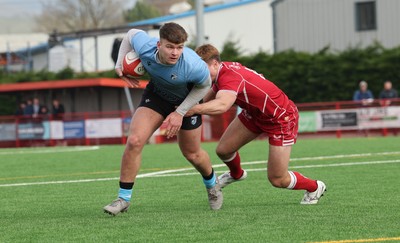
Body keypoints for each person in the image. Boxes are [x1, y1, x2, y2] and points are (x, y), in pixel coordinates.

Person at [103, 23, 223, 216]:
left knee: (192, 154)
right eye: (170, 47)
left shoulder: (193, 65)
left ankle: (212, 185)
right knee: (134, 141)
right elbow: (131, 34)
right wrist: (119, 65)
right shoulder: (146, 46)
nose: (175, 52)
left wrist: (180, 112)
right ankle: (123, 199)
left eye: (179, 47)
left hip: (187, 100)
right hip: (157, 95)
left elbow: (204, 86)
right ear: (159, 44)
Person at [186, 44, 326, 205]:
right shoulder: (220, 72)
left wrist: (192, 110)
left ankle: (315, 187)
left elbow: (222, 105)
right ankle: (236, 174)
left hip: (281, 118)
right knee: (224, 150)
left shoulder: (229, 77)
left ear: (215, 64)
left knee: (277, 179)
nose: (200, 73)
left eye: (203, 68)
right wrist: (184, 106)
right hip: (255, 114)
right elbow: (208, 97)